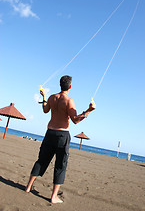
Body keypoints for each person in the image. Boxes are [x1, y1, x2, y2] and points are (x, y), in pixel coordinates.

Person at [25, 75, 96, 203]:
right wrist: (89, 111)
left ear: (60, 85)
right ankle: (53, 197)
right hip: (62, 135)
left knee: (42, 160)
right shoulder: (69, 101)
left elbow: (45, 110)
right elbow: (75, 120)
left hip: (50, 133)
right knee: (60, 165)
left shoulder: (52, 97)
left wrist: (44, 97)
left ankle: (28, 187)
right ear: (70, 86)